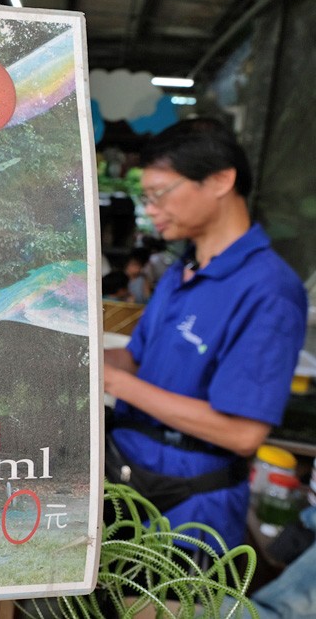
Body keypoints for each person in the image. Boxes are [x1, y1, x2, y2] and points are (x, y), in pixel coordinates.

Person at [103, 118, 307, 556]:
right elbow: (136, 360)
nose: (151, 209)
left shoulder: (268, 289)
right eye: (147, 197)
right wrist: (76, 360)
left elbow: (242, 434)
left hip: (189, 506)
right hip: (126, 478)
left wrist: (113, 383)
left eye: (160, 194)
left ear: (220, 180)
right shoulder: (183, 270)